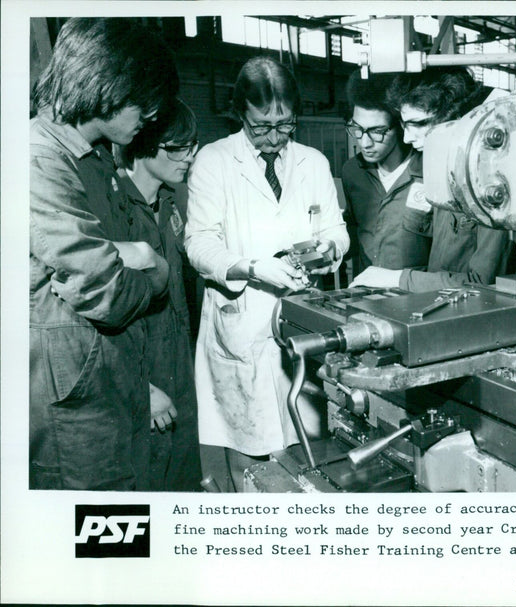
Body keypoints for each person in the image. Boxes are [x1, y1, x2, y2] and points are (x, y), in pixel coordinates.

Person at [185, 56, 349, 492]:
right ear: (240, 114)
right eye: (262, 127)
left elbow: (336, 229)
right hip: (244, 322)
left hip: (303, 319)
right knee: (250, 453)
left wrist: (329, 248)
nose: (275, 137)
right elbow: (198, 245)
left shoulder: (312, 162)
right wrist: (253, 267)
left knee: (313, 447)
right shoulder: (214, 162)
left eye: (285, 125)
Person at [29, 18, 178, 490]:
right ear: (109, 86)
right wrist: (155, 269)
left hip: (111, 381)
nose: (151, 116)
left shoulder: (92, 159)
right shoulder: (37, 161)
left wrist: (136, 255)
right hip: (73, 401)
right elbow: (106, 290)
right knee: (94, 537)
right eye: (146, 101)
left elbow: (120, 259)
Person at [350, 67, 513, 293]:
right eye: (404, 125)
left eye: (418, 124)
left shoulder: (491, 186)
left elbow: (483, 283)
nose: (407, 137)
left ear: (456, 118)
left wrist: (396, 279)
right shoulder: (442, 175)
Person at [116, 98, 202, 491]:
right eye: (178, 148)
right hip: (139, 384)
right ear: (143, 141)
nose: (189, 157)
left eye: (193, 146)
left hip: (178, 370)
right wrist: (142, 388)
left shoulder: (170, 204)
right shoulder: (114, 207)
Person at [341, 71, 430, 276]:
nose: (364, 143)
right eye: (357, 129)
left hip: (416, 299)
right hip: (365, 295)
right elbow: (355, 233)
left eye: (377, 131)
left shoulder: (429, 173)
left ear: (400, 126)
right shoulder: (352, 172)